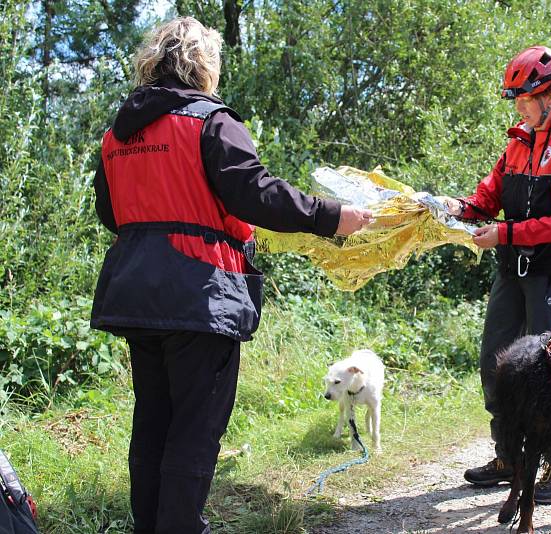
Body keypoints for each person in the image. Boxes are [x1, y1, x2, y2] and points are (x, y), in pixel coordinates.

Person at [90, 17, 371, 534]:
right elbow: (257, 194)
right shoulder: (210, 121)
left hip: (137, 294)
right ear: (204, 65)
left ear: (152, 61)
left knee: (153, 421)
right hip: (201, 294)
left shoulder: (116, 135)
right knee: (195, 431)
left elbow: (112, 214)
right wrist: (334, 217)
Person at [441, 46, 551, 504]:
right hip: (512, 268)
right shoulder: (516, 142)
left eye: (525, 98)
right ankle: (509, 455)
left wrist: (505, 232)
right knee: (497, 361)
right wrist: (458, 208)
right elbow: (487, 197)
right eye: (515, 99)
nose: (519, 106)